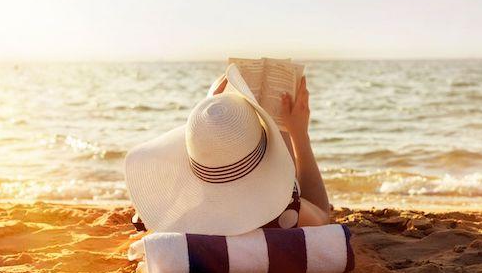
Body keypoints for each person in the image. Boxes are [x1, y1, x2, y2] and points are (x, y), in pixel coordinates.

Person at [125, 64, 329, 236]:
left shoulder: (178, 214)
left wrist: (211, 109)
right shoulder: (285, 211)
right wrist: (299, 134)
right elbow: (322, 215)